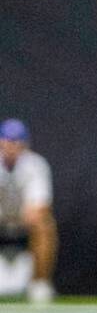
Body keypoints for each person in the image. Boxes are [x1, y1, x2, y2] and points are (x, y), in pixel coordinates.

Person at [0, 118, 54, 302]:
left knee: (44, 225)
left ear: (25, 144)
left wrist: (31, 214)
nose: (12, 146)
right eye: (8, 140)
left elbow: (39, 206)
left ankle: (39, 283)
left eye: (17, 141)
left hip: (24, 221)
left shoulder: (36, 165)